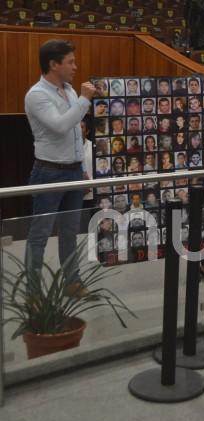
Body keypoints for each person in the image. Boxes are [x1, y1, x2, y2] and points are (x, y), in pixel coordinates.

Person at [24, 39, 96, 298]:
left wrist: (81, 165)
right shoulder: (37, 95)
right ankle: (33, 294)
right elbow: (61, 126)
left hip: (73, 171)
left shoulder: (69, 90)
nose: (76, 67)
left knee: (69, 232)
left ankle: (72, 283)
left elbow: (75, 133)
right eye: (70, 62)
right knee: (40, 235)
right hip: (49, 172)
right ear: (54, 64)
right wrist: (85, 100)